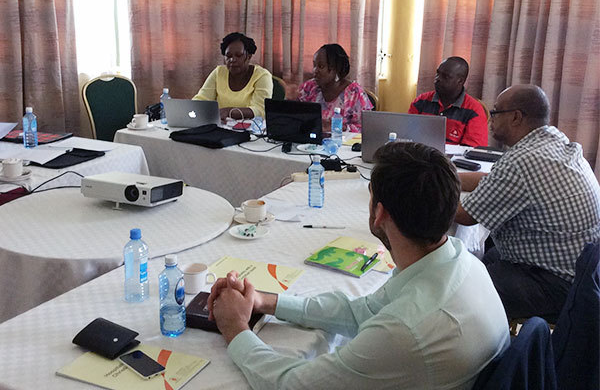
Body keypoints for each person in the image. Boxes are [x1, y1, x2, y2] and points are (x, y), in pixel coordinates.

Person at [208, 142, 510, 389]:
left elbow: (293, 384)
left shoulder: (404, 330)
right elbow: (361, 312)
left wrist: (235, 329)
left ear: (379, 213)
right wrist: (265, 301)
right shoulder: (458, 259)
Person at [456, 84, 600, 321]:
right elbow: (492, 180)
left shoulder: (522, 161)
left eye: (495, 112)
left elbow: (465, 215)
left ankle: (483, 349)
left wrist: (420, 191)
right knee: (478, 257)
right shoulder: (553, 140)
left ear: (515, 117)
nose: (490, 119)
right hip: (581, 273)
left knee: (461, 289)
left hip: (554, 284)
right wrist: (447, 176)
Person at [409, 56, 488, 147]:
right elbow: (408, 136)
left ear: (460, 81)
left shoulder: (474, 110)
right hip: (420, 157)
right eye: (437, 73)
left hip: (453, 160)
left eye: (446, 77)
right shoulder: (420, 101)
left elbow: (472, 151)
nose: (438, 79)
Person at [193, 32, 273, 121]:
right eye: (228, 56)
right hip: (220, 127)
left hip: (250, 130)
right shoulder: (219, 72)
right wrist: (191, 108)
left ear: (249, 56)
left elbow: (260, 111)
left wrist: (229, 112)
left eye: (239, 55)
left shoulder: (262, 76)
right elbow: (202, 99)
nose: (232, 60)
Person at [298, 44, 373, 132]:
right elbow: (295, 117)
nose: (315, 71)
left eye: (321, 66)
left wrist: (337, 127)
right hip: (310, 142)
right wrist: (291, 99)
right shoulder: (309, 87)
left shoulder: (354, 93)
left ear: (336, 69)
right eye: (314, 65)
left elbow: (366, 128)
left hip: (342, 143)